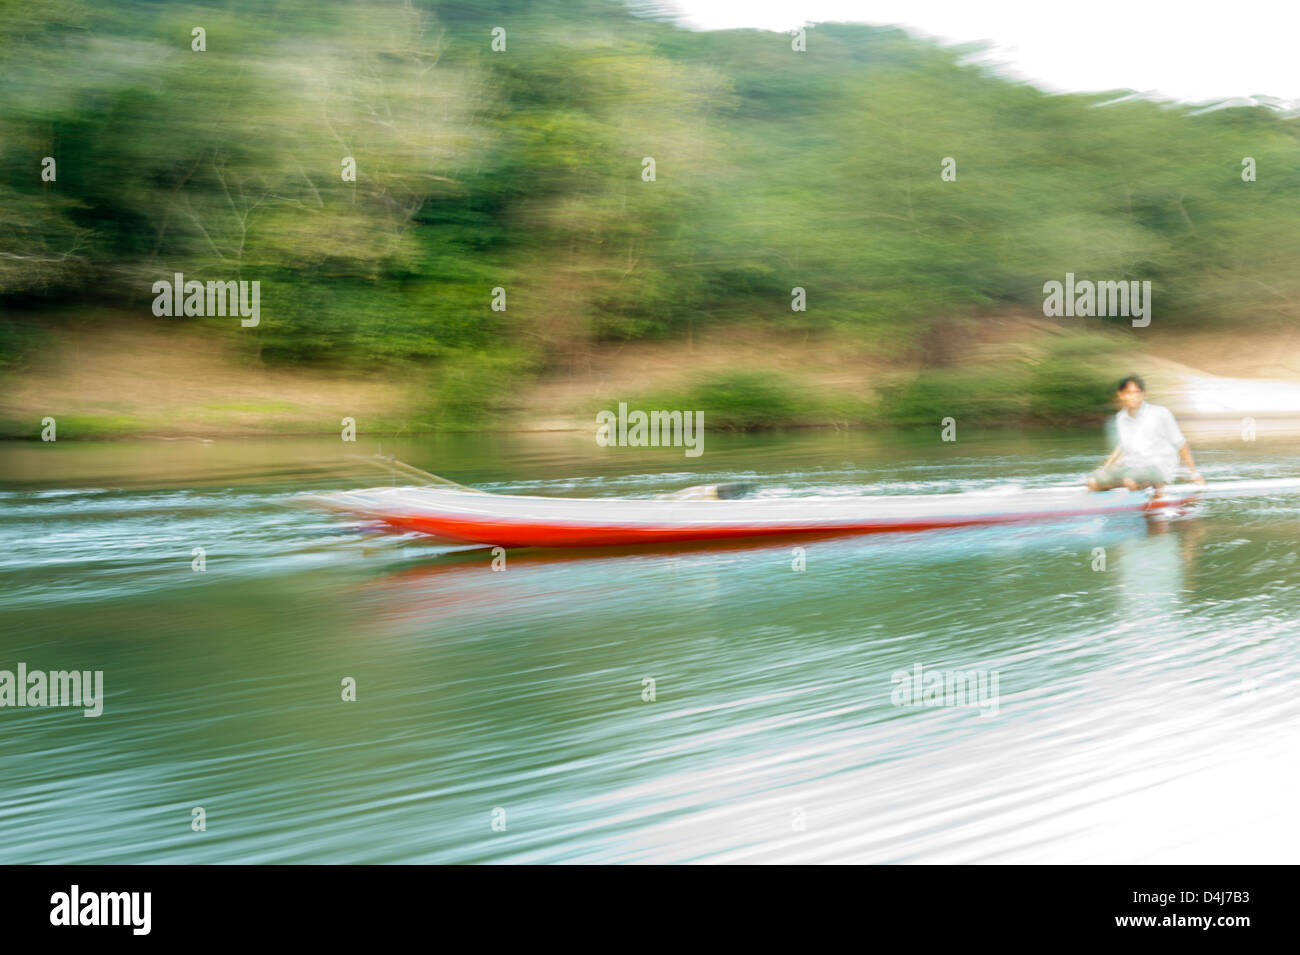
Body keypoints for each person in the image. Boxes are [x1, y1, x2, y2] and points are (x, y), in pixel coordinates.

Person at [1087, 376, 1205, 496]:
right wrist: (1106, 467)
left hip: (1158, 467)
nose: (1133, 397)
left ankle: (1157, 489)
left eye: (1136, 392)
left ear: (1143, 394)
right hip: (1133, 466)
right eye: (1128, 393)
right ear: (1121, 395)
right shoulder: (1121, 418)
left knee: (1130, 481)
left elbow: (1181, 444)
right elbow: (1122, 446)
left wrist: (1194, 473)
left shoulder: (1160, 414)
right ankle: (1115, 499)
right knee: (1093, 481)